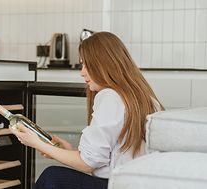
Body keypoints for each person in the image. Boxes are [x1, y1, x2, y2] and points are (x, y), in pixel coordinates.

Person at [10, 31, 164, 189]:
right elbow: (104, 158)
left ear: (104, 65)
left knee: (52, 177)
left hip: (117, 185)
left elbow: (88, 164)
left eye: (87, 65)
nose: (82, 72)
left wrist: (37, 143)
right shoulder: (145, 98)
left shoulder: (110, 96)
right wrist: (68, 151)